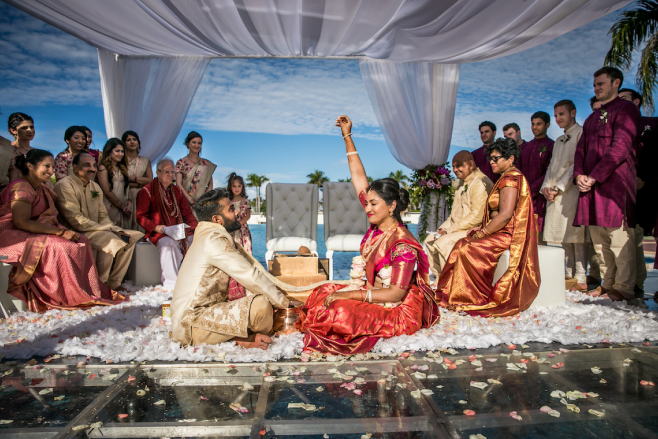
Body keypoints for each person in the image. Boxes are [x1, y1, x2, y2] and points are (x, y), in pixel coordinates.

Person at [300, 115, 440, 355]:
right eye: (367, 203)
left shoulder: (402, 244)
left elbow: (397, 293)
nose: (367, 208)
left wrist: (351, 294)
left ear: (392, 205)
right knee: (320, 294)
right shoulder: (378, 227)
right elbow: (358, 178)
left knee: (338, 311)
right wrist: (347, 136)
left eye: (374, 204)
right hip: (371, 293)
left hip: (395, 308)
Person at [0, 149, 125, 312]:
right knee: (61, 246)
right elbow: (20, 221)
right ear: (30, 166)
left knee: (81, 241)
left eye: (52, 167)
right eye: (46, 166)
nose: (51, 171)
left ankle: (85, 291)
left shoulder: (41, 188)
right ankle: (62, 295)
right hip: (13, 233)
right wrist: (60, 233)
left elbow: (47, 217)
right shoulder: (22, 187)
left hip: (35, 230)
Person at [171, 188, 291, 348]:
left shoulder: (207, 235)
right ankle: (241, 339)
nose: (236, 212)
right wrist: (284, 303)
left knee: (260, 300)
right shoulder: (213, 240)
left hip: (200, 315)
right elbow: (249, 275)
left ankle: (239, 339)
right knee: (262, 306)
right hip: (191, 323)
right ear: (217, 219)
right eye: (231, 209)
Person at [436, 137, 540, 316]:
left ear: (510, 159)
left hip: (508, 234)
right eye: (490, 158)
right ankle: (455, 292)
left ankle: (473, 296)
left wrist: (483, 232)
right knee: (461, 244)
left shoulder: (510, 180)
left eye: (496, 158)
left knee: (466, 249)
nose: (491, 162)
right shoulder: (505, 178)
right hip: (500, 229)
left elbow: (505, 215)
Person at [573, 67, 641, 302]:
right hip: (591, 187)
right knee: (600, 241)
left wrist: (593, 176)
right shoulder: (592, 117)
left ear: (616, 83)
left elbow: (621, 147)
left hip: (615, 185)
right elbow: (580, 150)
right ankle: (608, 283)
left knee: (618, 238)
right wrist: (579, 175)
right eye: (594, 85)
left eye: (601, 84)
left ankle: (624, 286)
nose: (596, 89)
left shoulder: (627, 110)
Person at [54, 152, 143, 291]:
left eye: (94, 165)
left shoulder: (95, 187)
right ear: (75, 168)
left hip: (96, 229)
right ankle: (100, 285)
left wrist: (111, 228)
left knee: (131, 237)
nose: (92, 169)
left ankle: (114, 283)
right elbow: (75, 219)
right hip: (75, 231)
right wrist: (109, 230)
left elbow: (102, 215)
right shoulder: (64, 185)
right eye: (87, 165)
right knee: (110, 240)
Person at [541, 100, 589, 291]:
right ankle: (568, 276)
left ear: (573, 113)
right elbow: (552, 167)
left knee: (575, 235)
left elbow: (576, 164)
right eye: (556, 115)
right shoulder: (559, 140)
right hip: (553, 192)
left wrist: (558, 187)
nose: (558, 118)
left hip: (571, 190)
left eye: (562, 114)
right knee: (562, 236)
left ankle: (581, 276)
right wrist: (546, 187)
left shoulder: (581, 133)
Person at [424, 151, 493, 280]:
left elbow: (477, 217)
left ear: (471, 165)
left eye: (459, 166)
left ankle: (450, 284)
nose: (455, 170)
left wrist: (448, 231)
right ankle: (441, 279)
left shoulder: (479, 182)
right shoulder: (462, 184)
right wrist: (442, 229)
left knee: (443, 242)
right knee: (429, 240)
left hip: (476, 230)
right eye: (453, 166)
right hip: (459, 228)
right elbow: (453, 216)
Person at [136, 157, 198, 289]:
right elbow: (140, 216)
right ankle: (171, 286)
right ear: (158, 173)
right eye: (167, 172)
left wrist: (197, 228)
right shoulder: (146, 191)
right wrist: (157, 228)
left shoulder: (177, 191)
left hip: (178, 231)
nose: (171, 175)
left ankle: (193, 281)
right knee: (168, 244)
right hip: (158, 233)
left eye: (173, 172)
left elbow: (187, 213)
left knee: (196, 240)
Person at [618, 87, 653, 300]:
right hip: (625, 189)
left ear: (637, 102)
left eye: (625, 99)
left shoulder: (650, 125)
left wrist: (645, 178)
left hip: (647, 188)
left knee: (641, 236)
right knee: (630, 237)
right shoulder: (619, 127)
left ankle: (638, 282)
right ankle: (636, 283)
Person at [515, 111, 554, 240]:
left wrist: (532, 189)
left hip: (541, 198)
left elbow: (549, 171)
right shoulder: (525, 148)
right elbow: (518, 171)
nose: (535, 127)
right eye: (533, 124)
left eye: (539, 124)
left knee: (539, 238)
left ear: (547, 125)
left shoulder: (551, 146)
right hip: (523, 197)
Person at [175, 131, 217, 214]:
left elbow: (210, 185)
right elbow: (178, 184)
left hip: (201, 205)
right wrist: (190, 200)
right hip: (185, 202)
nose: (197, 145)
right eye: (194, 142)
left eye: (199, 143)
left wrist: (202, 201)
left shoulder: (206, 164)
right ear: (188, 144)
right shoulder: (181, 162)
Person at [97, 138, 132, 229]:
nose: (120, 154)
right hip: (110, 207)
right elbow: (107, 191)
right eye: (117, 151)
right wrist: (121, 207)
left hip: (124, 208)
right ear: (109, 152)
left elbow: (127, 188)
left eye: (122, 151)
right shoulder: (103, 168)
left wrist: (129, 204)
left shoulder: (123, 168)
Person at [122, 131, 152, 231]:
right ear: (124, 143)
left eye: (134, 139)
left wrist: (133, 179)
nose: (132, 142)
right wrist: (138, 183)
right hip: (123, 194)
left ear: (138, 142)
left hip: (140, 196)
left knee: (139, 223)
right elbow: (121, 182)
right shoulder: (120, 160)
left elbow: (149, 180)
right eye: (128, 140)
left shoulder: (145, 161)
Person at [227, 172, 252, 254]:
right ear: (230, 187)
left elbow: (247, 216)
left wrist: (239, 224)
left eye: (239, 186)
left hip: (243, 230)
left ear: (242, 187)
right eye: (234, 186)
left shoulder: (245, 201)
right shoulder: (228, 201)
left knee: (245, 252)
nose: (236, 188)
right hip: (231, 230)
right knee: (233, 251)